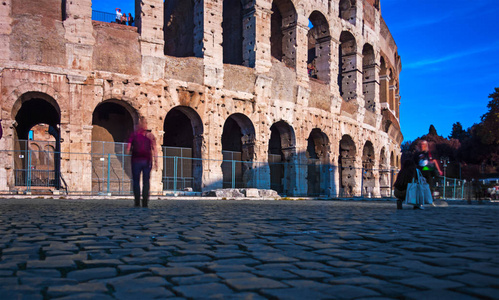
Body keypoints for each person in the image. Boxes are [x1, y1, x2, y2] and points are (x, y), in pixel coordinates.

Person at [127, 117, 157, 208]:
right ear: (146, 125)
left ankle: (137, 202)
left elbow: (128, 149)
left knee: (136, 181)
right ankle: (144, 203)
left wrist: (129, 152)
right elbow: (155, 149)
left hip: (136, 160)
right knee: (146, 182)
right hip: (146, 161)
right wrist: (156, 161)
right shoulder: (150, 136)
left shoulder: (134, 135)